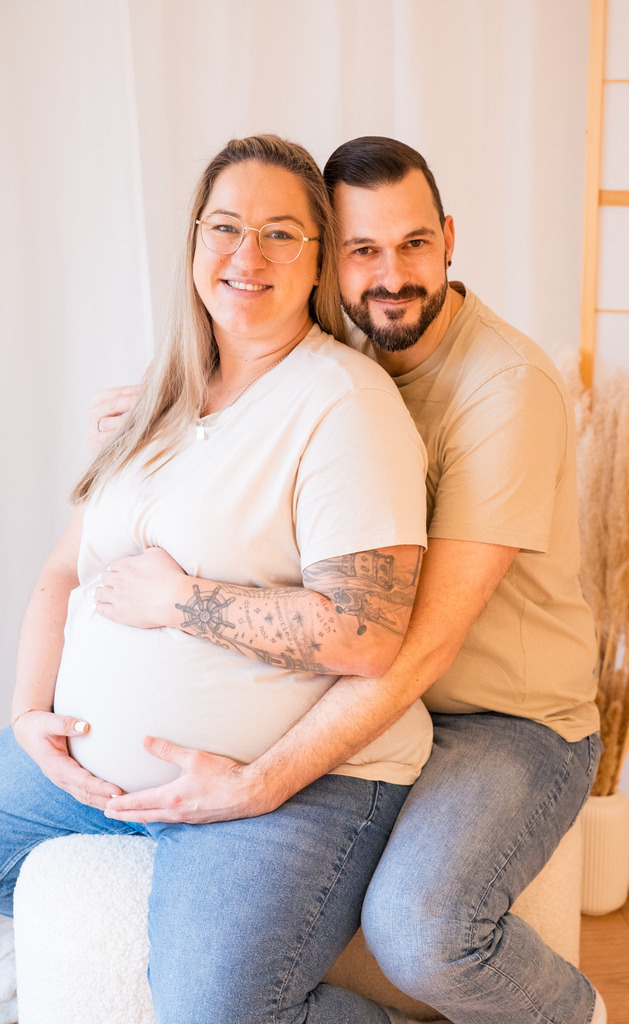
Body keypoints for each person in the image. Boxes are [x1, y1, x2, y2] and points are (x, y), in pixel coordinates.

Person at [86, 136, 606, 1024]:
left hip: (500, 720)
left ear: (448, 237)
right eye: (363, 250)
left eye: (412, 244)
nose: (390, 276)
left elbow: (418, 642)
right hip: (385, 706)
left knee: (422, 929)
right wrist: (167, 407)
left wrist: (261, 783)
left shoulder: (503, 388)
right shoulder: (336, 353)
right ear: (331, 260)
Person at [0, 134, 435, 1024]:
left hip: (292, 788)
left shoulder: (343, 404)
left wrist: (179, 603)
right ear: (195, 242)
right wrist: (29, 720)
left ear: (317, 259)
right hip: (85, 772)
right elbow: (60, 573)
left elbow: (365, 633)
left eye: (280, 233)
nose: (246, 256)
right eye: (226, 226)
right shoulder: (156, 399)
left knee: (218, 1012)